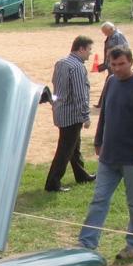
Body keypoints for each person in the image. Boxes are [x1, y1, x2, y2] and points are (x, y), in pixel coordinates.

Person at [78, 46, 133, 260]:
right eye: (113, 64)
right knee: (99, 199)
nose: (116, 69)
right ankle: (86, 244)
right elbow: (105, 113)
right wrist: (99, 140)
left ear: (131, 62)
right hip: (109, 156)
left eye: (121, 64)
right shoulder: (111, 81)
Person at [44, 35, 95, 192]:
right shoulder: (78, 67)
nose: (90, 54)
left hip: (61, 112)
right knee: (65, 150)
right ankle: (53, 183)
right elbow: (80, 94)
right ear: (81, 49)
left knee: (74, 146)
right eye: (89, 50)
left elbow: (55, 84)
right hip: (72, 115)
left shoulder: (61, 63)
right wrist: (85, 116)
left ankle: (81, 175)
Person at [95, 22, 129, 107]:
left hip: (116, 66)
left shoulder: (118, 36)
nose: (104, 34)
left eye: (105, 32)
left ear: (111, 29)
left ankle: (104, 103)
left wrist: (112, 52)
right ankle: (103, 103)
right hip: (111, 64)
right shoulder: (111, 36)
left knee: (111, 83)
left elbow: (123, 50)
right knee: (110, 82)